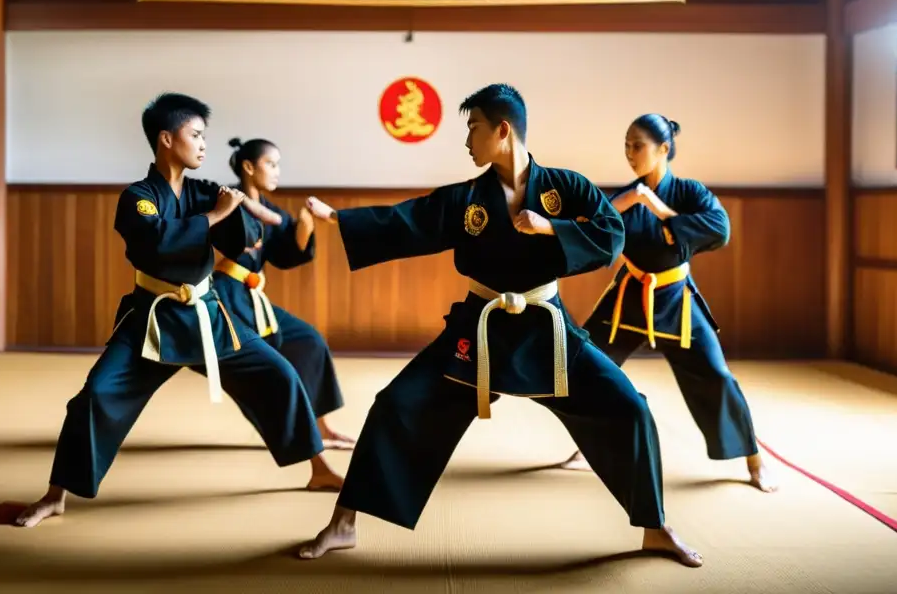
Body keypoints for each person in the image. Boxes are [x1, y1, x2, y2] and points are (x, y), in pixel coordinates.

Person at [296, 84, 703, 568]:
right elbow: (408, 220)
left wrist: (551, 227)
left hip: (549, 330)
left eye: (473, 128)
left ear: (502, 130)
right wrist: (338, 219)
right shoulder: (467, 198)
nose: (467, 141)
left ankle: (654, 529)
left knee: (628, 407)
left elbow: (610, 235)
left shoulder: (566, 187)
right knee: (394, 406)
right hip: (478, 330)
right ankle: (342, 524)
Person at [14, 93, 341, 528]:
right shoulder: (138, 197)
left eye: (205, 136)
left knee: (279, 375)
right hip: (153, 319)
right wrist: (214, 217)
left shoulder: (206, 191)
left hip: (209, 315)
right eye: (196, 135)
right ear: (166, 139)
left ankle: (318, 470)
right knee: (95, 397)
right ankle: (56, 494)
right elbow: (153, 242)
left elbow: (241, 238)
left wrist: (236, 211)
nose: (204, 144)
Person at [557, 114, 775, 493]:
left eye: (637, 145)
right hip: (628, 297)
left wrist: (657, 207)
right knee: (582, 364)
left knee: (716, 376)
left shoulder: (690, 193)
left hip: (675, 300)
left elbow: (719, 229)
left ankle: (753, 458)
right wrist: (629, 199)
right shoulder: (627, 194)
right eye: (626, 145)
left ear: (663, 149)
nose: (629, 153)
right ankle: (587, 445)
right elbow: (591, 226)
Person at [211, 137, 354, 450]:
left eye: (278, 165)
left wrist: (304, 225)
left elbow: (286, 253)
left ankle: (321, 426)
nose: (277, 172)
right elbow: (234, 241)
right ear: (249, 167)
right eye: (271, 164)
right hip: (225, 299)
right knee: (262, 368)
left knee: (308, 341)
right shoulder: (226, 201)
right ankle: (295, 436)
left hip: (251, 297)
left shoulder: (269, 208)